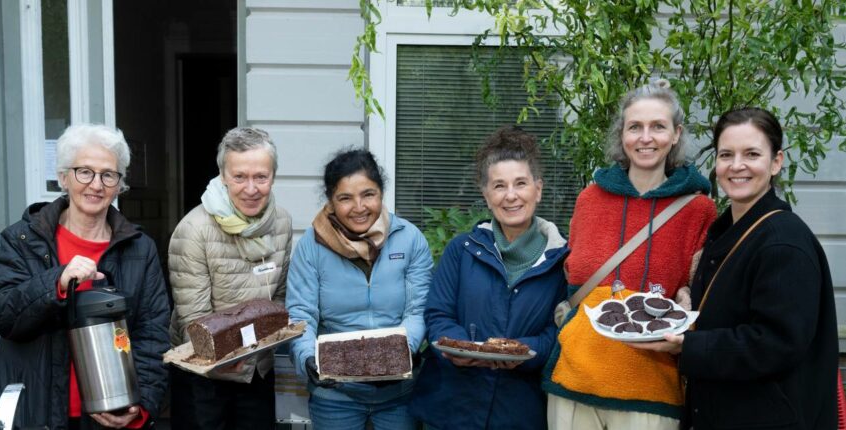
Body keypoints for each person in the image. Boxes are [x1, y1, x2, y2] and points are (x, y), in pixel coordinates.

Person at [631, 107, 838, 429]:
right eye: (726, 154)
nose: (737, 166)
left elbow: (775, 343)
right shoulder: (728, 231)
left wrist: (688, 345)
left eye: (752, 154)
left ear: (776, 162)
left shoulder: (783, 243)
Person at [542, 80, 717, 429]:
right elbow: (572, 280)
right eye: (635, 127)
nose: (645, 137)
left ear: (676, 134)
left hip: (651, 387)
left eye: (658, 126)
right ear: (622, 134)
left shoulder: (698, 209)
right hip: (576, 378)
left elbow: (702, 298)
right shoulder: (590, 199)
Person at [0, 124, 170, 430]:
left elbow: (152, 334)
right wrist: (57, 282)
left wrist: (140, 403)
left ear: (119, 185)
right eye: (84, 172)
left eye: (108, 175)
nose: (96, 184)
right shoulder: (23, 239)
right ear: (63, 177)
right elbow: (1, 312)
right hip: (33, 411)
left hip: (110, 415)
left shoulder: (139, 249)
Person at [409, 126, 569, 429]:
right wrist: (460, 347)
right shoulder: (462, 250)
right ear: (486, 194)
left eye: (520, 183)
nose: (510, 196)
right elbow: (437, 313)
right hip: (451, 409)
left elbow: (558, 333)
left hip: (520, 412)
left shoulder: (561, 261)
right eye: (499, 186)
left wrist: (523, 350)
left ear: (538, 188)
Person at [287, 149, 432, 430]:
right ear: (331, 200)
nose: (359, 207)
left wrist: (402, 352)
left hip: (398, 393)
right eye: (345, 198)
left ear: (381, 193)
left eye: (368, 194)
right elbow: (301, 313)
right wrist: (307, 358)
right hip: (335, 393)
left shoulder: (409, 239)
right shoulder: (311, 246)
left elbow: (418, 310)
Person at [167, 127, 292, 430]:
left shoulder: (282, 223)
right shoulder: (194, 230)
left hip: (256, 368)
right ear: (223, 175)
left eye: (261, 177)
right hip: (204, 373)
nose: (251, 188)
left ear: (273, 176)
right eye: (240, 177)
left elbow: (279, 298)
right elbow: (193, 317)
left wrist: (260, 349)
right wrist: (223, 359)